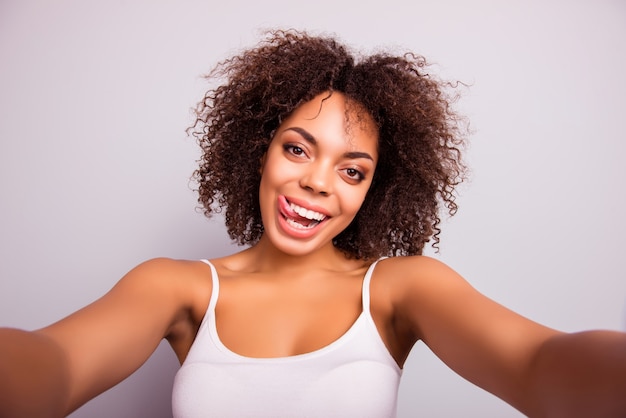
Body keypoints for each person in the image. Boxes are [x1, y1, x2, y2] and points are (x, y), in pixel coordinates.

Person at [1, 29, 625, 418]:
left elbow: (542, 363)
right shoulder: (180, 288)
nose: (319, 182)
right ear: (259, 150)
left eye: (353, 171)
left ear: (375, 192)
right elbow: (51, 366)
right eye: (298, 149)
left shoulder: (399, 290)